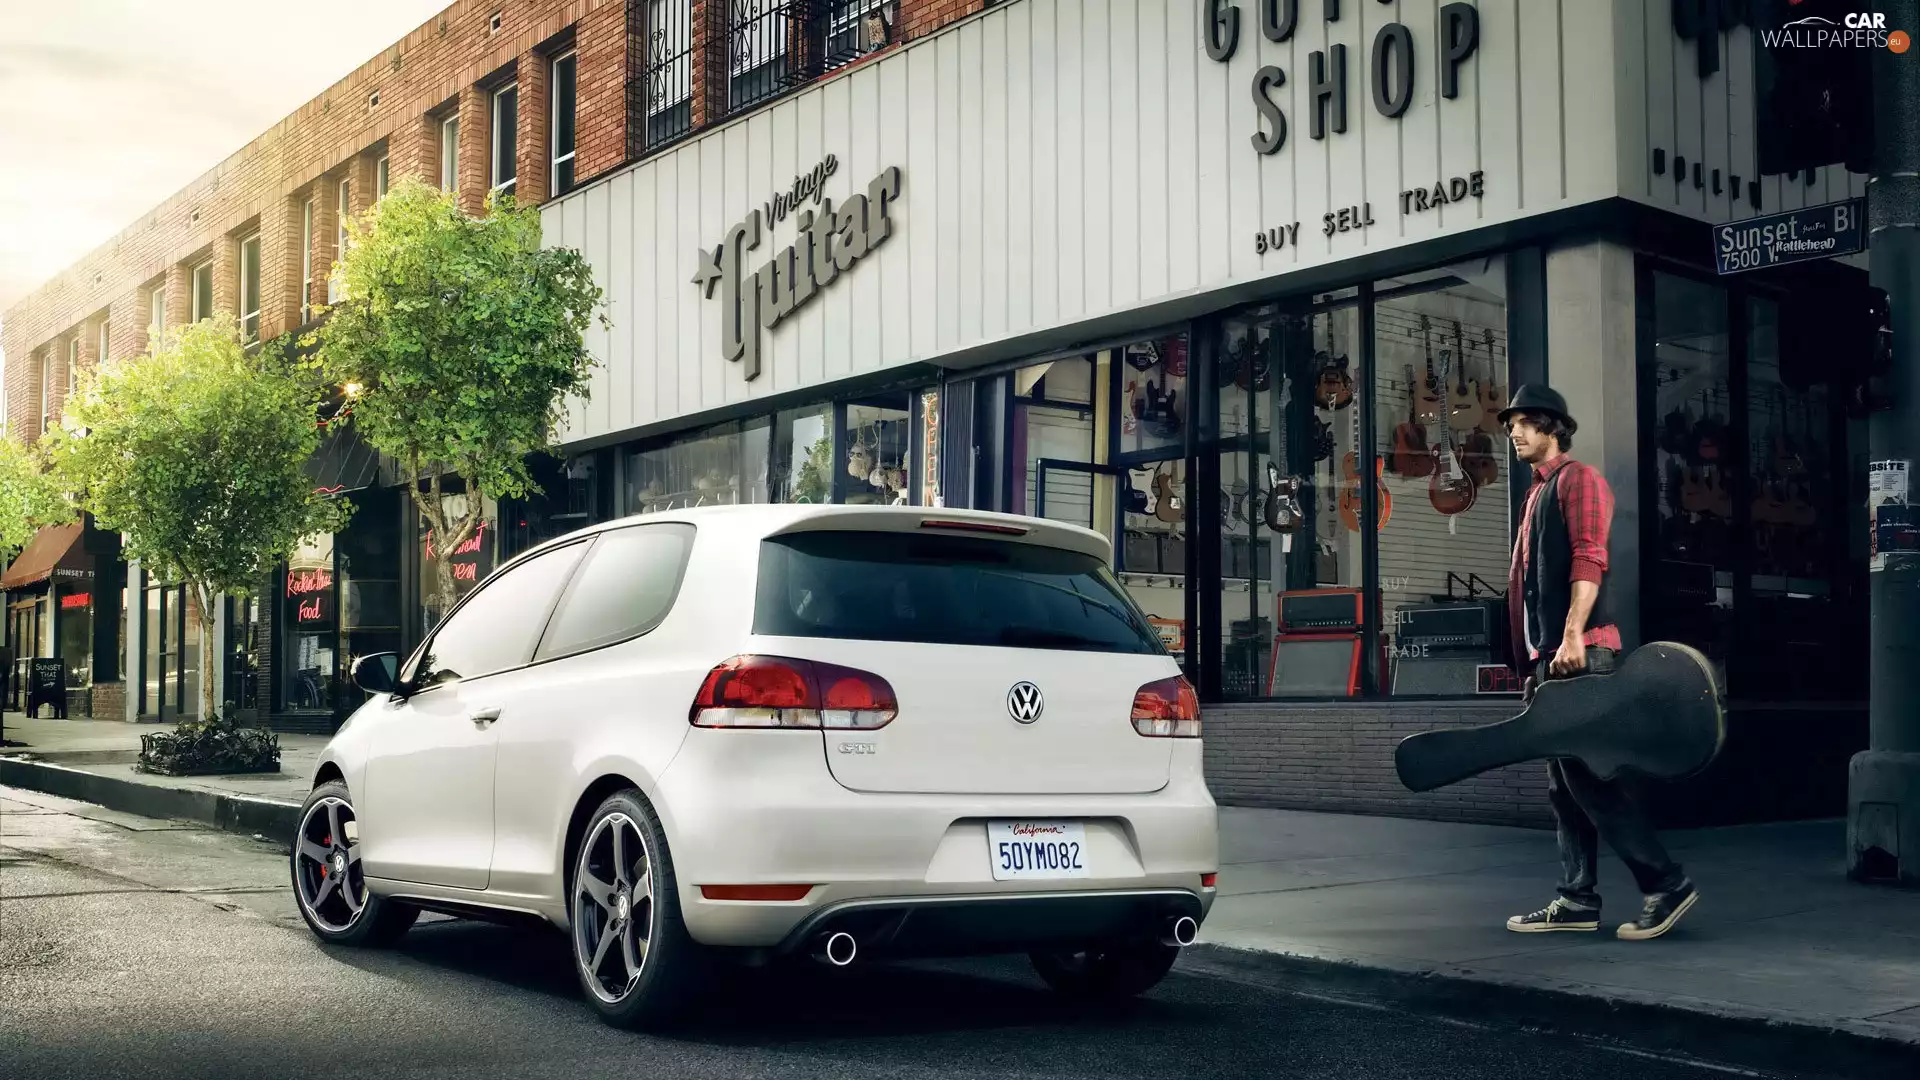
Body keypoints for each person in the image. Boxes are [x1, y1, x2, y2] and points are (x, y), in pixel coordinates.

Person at [1498, 385, 1698, 942]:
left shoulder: (1577, 479)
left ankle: (1666, 883)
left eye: (1519, 423)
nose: (1511, 433)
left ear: (1550, 426)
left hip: (1578, 655)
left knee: (1589, 778)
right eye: (1509, 425)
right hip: (1552, 659)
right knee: (1565, 786)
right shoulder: (1535, 493)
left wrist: (1571, 637)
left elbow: (1589, 555)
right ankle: (1576, 899)